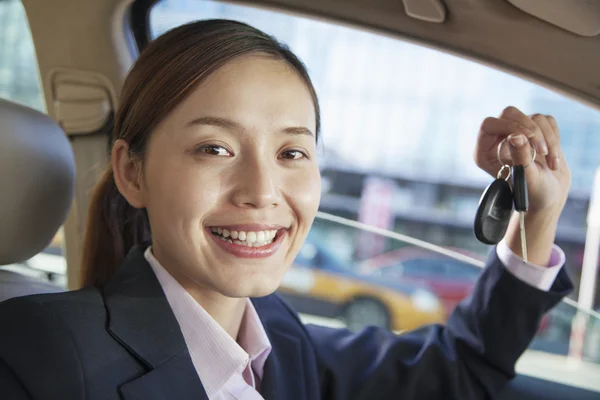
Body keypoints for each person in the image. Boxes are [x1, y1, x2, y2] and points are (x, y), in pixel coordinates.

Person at [0, 19, 573, 400]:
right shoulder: (32, 354)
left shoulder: (275, 336)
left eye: (292, 151)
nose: (262, 190)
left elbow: (457, 372)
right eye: (214, 148)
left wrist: (536, 215)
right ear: (132, 172)